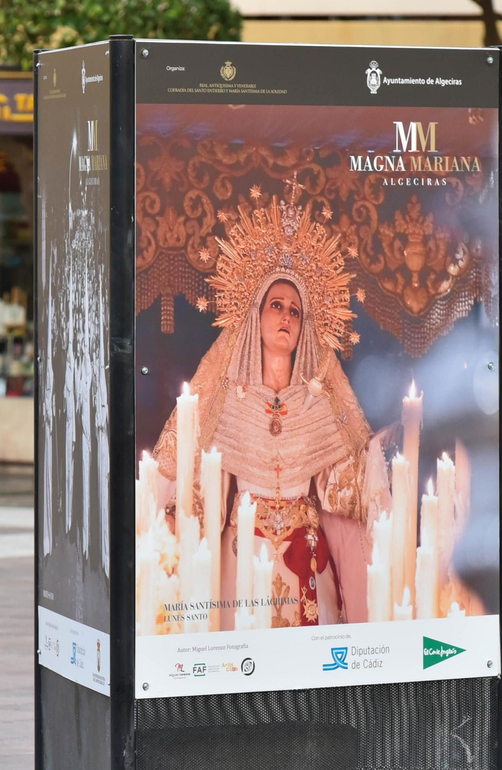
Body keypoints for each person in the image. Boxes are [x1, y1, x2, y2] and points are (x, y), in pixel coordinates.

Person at [153, 184, 389, 627]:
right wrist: (174, 512)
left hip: (308, 556)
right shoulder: (226, 398)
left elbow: (351, 485)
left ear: (305, 326)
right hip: (243, 549)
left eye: (295, 311)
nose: (285, 316)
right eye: (276, 306)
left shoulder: (319, 401)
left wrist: (378, 457)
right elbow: (195, 480)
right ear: (255, 315)